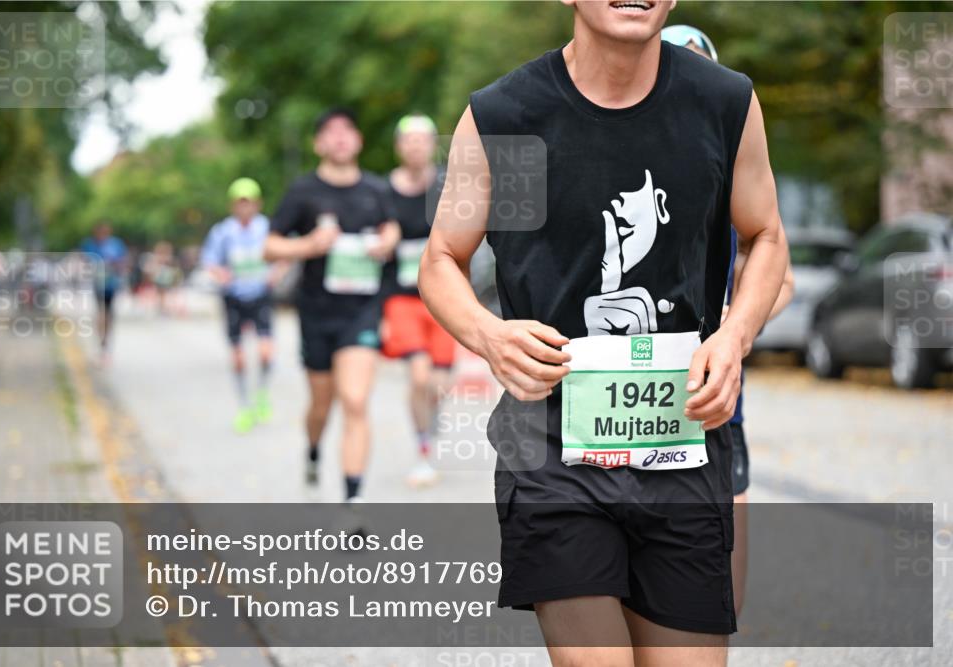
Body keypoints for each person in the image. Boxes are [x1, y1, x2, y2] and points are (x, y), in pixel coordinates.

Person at [420, 2, 789, 665]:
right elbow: (443, 258)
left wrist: (732, 336)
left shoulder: (722, 102)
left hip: (682, 449)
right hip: (554, 453)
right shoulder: (510, 118)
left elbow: (765, 235)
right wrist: (488, 334)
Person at [661, 24, 796, 617]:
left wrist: (733, 327)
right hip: (627, 381)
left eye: (698, 65)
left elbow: (781, 279)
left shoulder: (733, 164)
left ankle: (720, 619)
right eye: (676, 63)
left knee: (726, 509)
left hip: (713, 374)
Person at [265, 108, 400, 502]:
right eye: (330, 132)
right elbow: (270, 246)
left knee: (355, 401)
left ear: (358, 140)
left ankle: (352, 500)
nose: (340, 138)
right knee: (321, 405)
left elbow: (391, 227)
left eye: (347, 131)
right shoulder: (303, 191)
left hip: (362, 310)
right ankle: (312, 451)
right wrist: (308, 245)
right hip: (316, 312)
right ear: (318, 144)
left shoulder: (376, 190)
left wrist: (386, 242)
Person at [382, 114, 456, 488]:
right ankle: (423, 451)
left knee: (439, 384)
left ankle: (431, 420)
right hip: (402, 299)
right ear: (399, 146)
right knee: (419, 377)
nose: (415, 146)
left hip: (444, 297)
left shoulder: (450, 184)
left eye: (422, 139)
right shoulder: (383, 191)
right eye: (408, 140)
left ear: (431, 145)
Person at [201, 178, 281, 434]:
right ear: (233, 205)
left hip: (260, 295)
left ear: (258, 204)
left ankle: (262, 396)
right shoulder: (223, 232)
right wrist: (220, 274)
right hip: (234, 297)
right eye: (240, 203)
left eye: (249, 203)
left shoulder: (268, 228)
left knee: (266, 352)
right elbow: (209, 261)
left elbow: (285, 255)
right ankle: (244, 406)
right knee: (238, 358)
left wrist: (276, 274)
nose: (245, 208)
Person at [80, 221, 128, 363]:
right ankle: (101, 341)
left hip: (111, 285)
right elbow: (85, 261)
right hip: (98, 284)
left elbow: (123, 261)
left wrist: (116, 266)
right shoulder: (89, 244)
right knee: (100, 312)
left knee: (109, 314)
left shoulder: (116, 244)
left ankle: (106, 341)